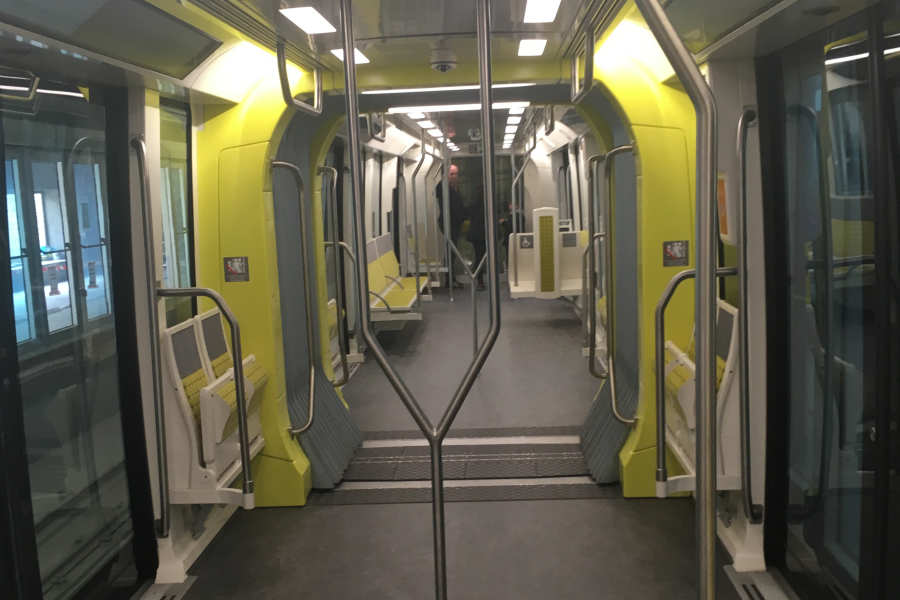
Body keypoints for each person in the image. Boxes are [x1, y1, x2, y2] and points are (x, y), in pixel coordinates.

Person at [436, 164, 465, 290]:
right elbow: (436, 191)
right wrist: (443, 180)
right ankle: (449, 280)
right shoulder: (443, 188)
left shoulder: (455, 188)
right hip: (448, 224)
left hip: (455, 224)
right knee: (451, 252)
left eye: (456, 174)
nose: (454, 176)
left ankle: (451, 279)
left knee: (452, 252)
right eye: (451, 174)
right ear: (446, 175)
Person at [466, 186, 487, 290]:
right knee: (489, 258)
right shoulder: (490, 204)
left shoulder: (472, 205)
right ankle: (488, 279)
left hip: (476, 236)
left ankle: (480, 281)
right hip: (488, 234)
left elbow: (466, 214)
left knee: (479, 258)